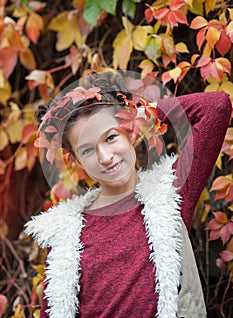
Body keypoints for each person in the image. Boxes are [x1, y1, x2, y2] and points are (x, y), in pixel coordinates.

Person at [25, 71, 232, 318]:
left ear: (131, 132)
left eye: (111, 137)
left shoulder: (171, 193)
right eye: (88, 150)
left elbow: (216, 107)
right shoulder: (66, 234)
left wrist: (145, 113)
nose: (105, 157)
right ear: (77, 161)